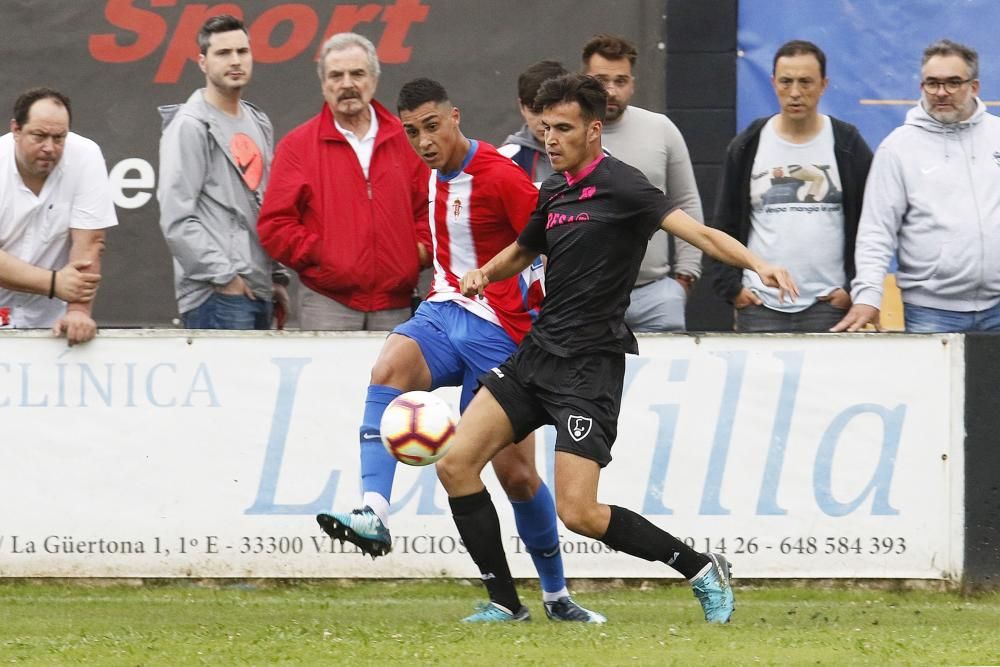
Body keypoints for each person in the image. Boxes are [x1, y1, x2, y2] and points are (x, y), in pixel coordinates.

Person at [435, 73, 797, 623]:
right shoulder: (554, 189)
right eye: (545, 127)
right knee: (457, 463)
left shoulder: (625, 186)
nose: (550, 138)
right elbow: (524, 248)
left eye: (563, 128)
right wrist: (484, 273)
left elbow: (697, 233)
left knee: (577, 512)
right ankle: (505, 605)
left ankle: (699, 566)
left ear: (594, 129)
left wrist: (759, 263)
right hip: (537, 355)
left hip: (589, 366)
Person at [316, 77, 604, 624]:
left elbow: (550, 244)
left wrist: (550, 322)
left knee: (515, 476)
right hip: (446, 312)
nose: (423, 141)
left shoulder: (500, 176)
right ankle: (374, 511)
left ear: (455, 117)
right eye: (411, 132)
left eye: (431, 127)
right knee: (388, 366)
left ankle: (555, 596)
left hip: (505, 333)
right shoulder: (431, 177)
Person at [258, 33, 431, 331]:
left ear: (374, 80)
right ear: (324, 84)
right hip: (327, 304)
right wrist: (322, 254)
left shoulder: (408, 140)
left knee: (392, 380)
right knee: (331, 381)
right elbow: (275, 225)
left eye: (357, 74)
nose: (347, 84)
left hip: (397, 304)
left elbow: (431, 208)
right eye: (336, 75)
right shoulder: (297, 147)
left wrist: (414, 254)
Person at [834, 39, 1000, 333]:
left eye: (952, 83)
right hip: (931, 312)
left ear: (974, 87)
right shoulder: (898, 148)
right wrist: (868, 296)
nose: (941, 93)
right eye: (932, 84)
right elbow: (877, 231)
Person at [709, 40, 872, 332]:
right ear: (773, 83)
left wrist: (850, 289)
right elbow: (724, 225)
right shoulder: (748, 144)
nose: (795, 92)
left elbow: (871, 224)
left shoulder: (846, 143)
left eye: (806, 82)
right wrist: (733, 290)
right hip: (760, 305)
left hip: (829, 305)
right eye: (786, 81)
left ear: (824, 84)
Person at [158, 14, 288, 330]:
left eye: (242, 52)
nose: (235, 60)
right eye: (223, 53)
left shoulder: (258, 121)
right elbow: (176, 219)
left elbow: (266, 206)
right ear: (202, 62)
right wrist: (225, 277)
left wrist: (276, 276)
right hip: (216, 294)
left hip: (259, 290)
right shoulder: (189, 125)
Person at [582, 34, 703, 332]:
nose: (610, 90)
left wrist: (685, 277)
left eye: (620, 81)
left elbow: (687, 202)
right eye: (600, 80)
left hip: (656, 294)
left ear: (632, 84)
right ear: (584, 81)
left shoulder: (661, 130)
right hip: (585, 296)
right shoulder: (568, 134)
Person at [0, 88, 116, 344]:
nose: (49, 147)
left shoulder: (86, 155)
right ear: (16, 130)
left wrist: (77, 311)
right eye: (39, 136)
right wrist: (54, 283)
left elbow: (91, 241)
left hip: (50, 324)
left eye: (59, 137)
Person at [499, 60, 568, 183]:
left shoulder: (594, 156)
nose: (543, 121)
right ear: (521, 107)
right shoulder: (503, 160)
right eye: (535, 111)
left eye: (550, 111)